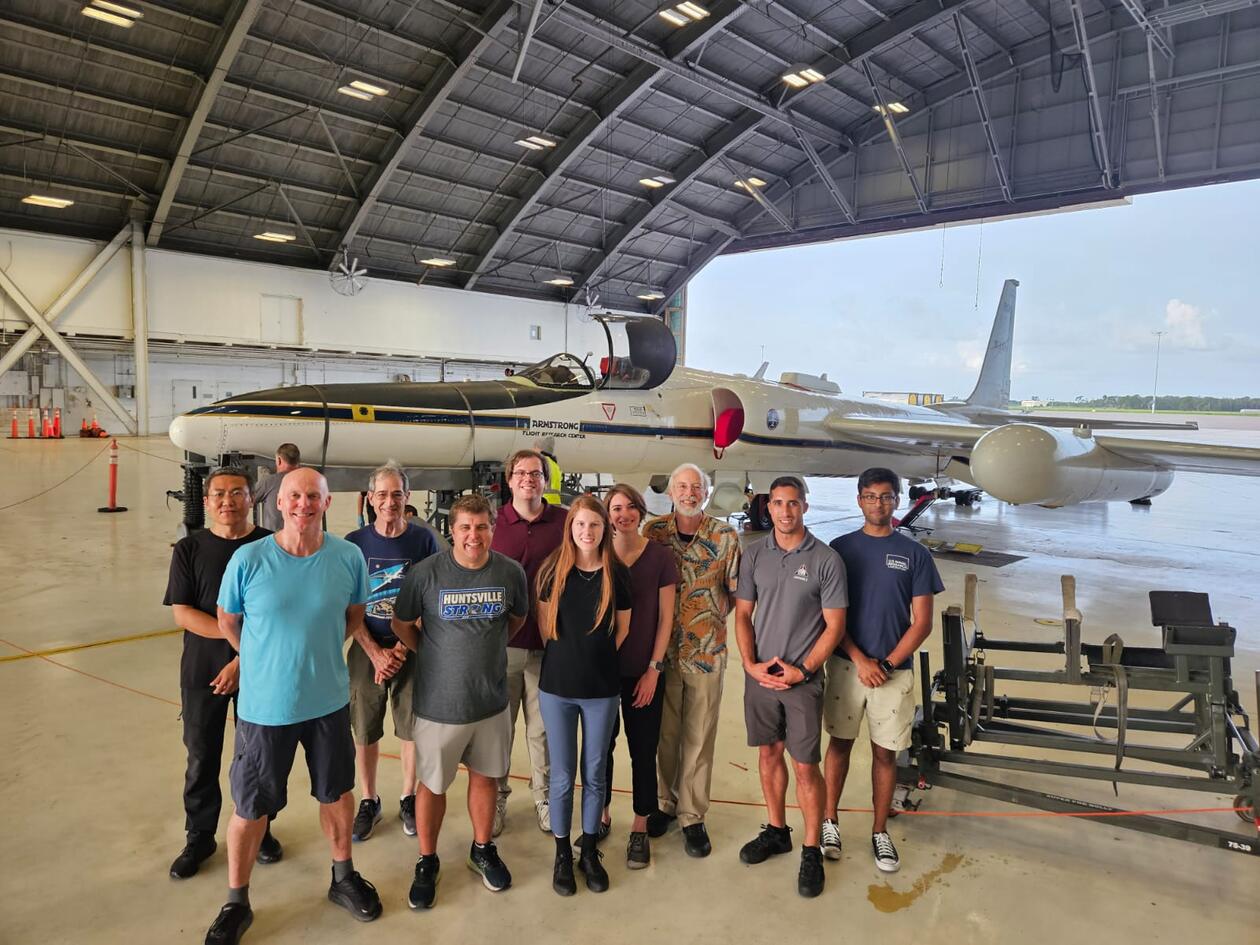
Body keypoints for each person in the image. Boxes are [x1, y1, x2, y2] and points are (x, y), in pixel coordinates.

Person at [206, 467, 381, 945]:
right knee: (250, 807)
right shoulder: (249, 559)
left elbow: (352, 619)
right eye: (295, 496)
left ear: (327, 504)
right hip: (265, 709)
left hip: (327, 701)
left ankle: (343, 876)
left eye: (313, 496)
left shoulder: (347, 557)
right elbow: (228, 620)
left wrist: (316, 654)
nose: (303, 504)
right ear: (278, 504)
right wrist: (262, 661)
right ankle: (236, 901)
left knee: (337, 794)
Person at [391, 494, 529, 910]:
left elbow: (515, 620)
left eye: (482, 526)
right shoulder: (426, 573)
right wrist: (432, 654)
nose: (474, 536)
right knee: (431, 785)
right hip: (438, 705)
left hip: (491, 701)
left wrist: (481, 653)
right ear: (453, 530)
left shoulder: (510, 572)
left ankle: (482, 849)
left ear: (492, 528)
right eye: (466, 528)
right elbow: (401, 623)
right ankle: (427, 860)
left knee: (486, 778)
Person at [163, 466, 281, 880]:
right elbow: (184, 613)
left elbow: (279, 615)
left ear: (252, 499)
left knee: (257, 756)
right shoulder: (189, 550)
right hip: (203, 671)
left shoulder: (272, 546)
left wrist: (242, 661)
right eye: (219, 494)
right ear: (208, 501)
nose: (227, 501)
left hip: (260, 671)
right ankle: (200, 835)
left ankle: (257, 826)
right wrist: (240, 648)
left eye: (236, 493)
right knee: (201, 754)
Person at [823, 467, 943, 873]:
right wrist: (860, 659)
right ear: (859, 499)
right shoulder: (839, 549)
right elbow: (830, 617)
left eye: (887, 496)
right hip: (846, 666)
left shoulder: (915, 554)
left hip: (894, 673)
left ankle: (879, 832)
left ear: (898, 500)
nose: (879, 503)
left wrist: (887, 664)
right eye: (871, 496)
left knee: (885, 753)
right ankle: (830, 822)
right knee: (839, 744)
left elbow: (922, 621)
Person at [734, 476, 846, 899]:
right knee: (768, 752)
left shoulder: (825, 559)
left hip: (801, 681)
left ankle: (812, 848)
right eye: (778, 504)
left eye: (793, 503)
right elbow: (743, 615)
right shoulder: (755, 555)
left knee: (804, 765)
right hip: (760, 676)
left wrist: (804, 670)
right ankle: (777, 830)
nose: (785, 511)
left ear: (805, 507)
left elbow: (835, 626)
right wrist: (750, 664)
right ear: (769, 507)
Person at [641, 463, 741, 858]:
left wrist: (708, 624)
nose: (688, 492)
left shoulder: (725, 536)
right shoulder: (655, 534)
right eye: (681, 486)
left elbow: (734, 593)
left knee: (699, 738)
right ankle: (666, 803)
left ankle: (692, 815)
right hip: (662, 656)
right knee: (666, 736)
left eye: (695, 486)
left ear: (707, 491)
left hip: (705, 656)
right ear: (670, 492)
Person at [535, 496, 632, 896]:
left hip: (601, 690)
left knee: (595, 774)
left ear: (604, 529)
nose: (587, 533)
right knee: (561, 776)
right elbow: (546, 629)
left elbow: (621, 631)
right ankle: (562, 853)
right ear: (570, 528)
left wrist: (594, 660)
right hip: (557, 689)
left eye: (594, 525)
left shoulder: (617, 575)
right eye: (580, 525)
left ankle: (588, 849)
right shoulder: (551, 573)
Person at [344, 462, 438, 842]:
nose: (389, 502)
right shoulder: (354, 543)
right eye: (381, 495)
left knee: (410, 728)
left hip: (411, 647)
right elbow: (348, 606)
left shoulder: (423, 542)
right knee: (364, 728)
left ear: (407, 498)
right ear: (370, 499)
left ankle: (407, 796)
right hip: (366, 648)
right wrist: (375, 652)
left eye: (396, 494)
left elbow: (429, 600)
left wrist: (400, 648)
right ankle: (369, 799)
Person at [599, 484, 678, 869]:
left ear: (641, 512)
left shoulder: (659, 557)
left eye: (631, 507)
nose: (624, 514)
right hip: (601, 672)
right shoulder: (595, 554)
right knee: (600, 748)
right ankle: (601, 814)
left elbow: (666, 619)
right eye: (616, 508)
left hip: (644, 672)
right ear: (607, 514)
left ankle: (641, 825)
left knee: (642, 750)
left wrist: (653, 669)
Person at [490, 449, 566, 835]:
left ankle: (544, 796)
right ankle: (498, 796)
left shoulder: (564, 522)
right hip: (504, 647)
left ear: (545, 480)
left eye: (536, 473)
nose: (528, 479)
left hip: (550, 646)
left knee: (541, 730)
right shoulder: (494, 523)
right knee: (500, 728)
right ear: (510, 479)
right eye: (521, 473)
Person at [251, 443, 300, 531]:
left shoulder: (269, 482)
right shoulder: (308, 481)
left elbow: (247, 500)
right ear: (297, 461)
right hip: (303, 540)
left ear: (279, 460)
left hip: (275, 540)